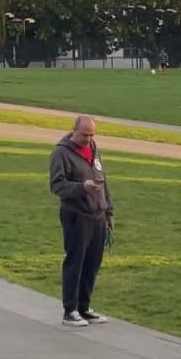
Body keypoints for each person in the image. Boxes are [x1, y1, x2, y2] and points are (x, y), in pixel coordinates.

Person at [49, 114, 113, 327]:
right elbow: (57, 185)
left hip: (97, 214)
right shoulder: (62, 153)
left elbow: (103, 181)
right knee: (75, 261)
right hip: (76, 215)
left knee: (92, 263)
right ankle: (70, 310)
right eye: (85, 134)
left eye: (92, 134)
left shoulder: (94, 149)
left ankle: (84, 307)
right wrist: (80, 188)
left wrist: (108, 211)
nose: (89, 138)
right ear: (74, 131)